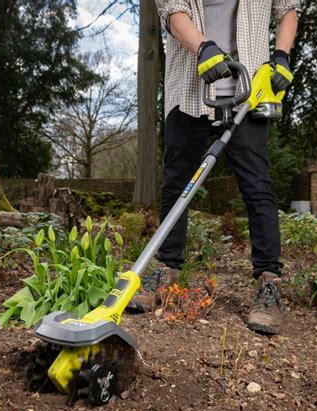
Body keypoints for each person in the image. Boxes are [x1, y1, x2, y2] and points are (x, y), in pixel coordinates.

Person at [129, 0, 300, 335]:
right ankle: (166, 271)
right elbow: (171, 10)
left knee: (257, 188)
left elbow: (288, 9)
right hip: (190, 86)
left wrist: (281, 55)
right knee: (177, 185)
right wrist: (203, 47)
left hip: (250, 89)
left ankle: (269, 284)